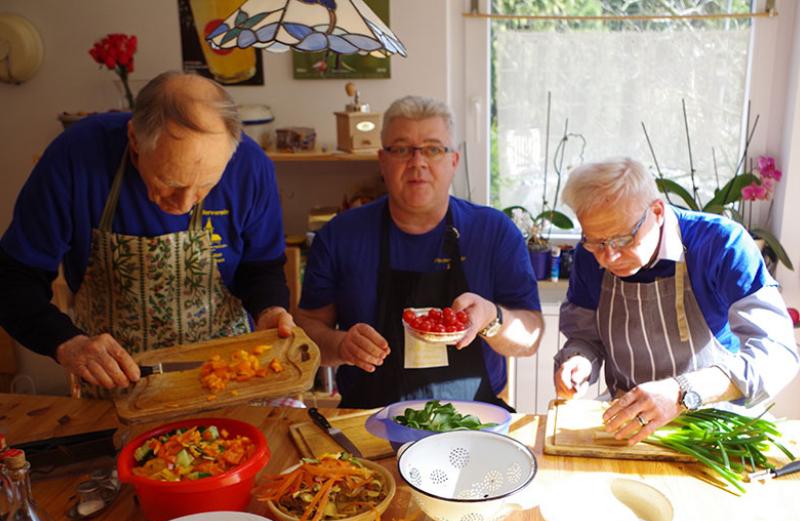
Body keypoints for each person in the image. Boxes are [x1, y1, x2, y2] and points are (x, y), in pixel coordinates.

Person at [0, 71, 293, 391]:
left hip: (226, 374)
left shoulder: (251, 166)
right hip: (116, 382)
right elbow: (13, 280)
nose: (184, 204)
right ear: (135, 140)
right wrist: (67, 343)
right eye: (170, 183)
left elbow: (261, 268)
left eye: (205, 187)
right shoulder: (75, 158)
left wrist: (270, 310)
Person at [295, 95, 544, 409]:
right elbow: (306, 329)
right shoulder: (339, 235)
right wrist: (340, 345)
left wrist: (490, 318)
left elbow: (531, 336)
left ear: (453, 161)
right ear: (382, 161)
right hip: (367, 420)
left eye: (433, 148)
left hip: (473, 420)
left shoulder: (494, 232)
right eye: (401, 149)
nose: (417, 162)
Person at [554, 157, 799, 444]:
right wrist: (580, 359)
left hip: (715, 425)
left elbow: (778, 353)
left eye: (622, 239)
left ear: (657, 212)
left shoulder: (721, 244)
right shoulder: (589, 257)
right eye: (596, 242)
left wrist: (684, 391)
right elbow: (585, 337)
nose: (609, 257)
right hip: (627, 424)